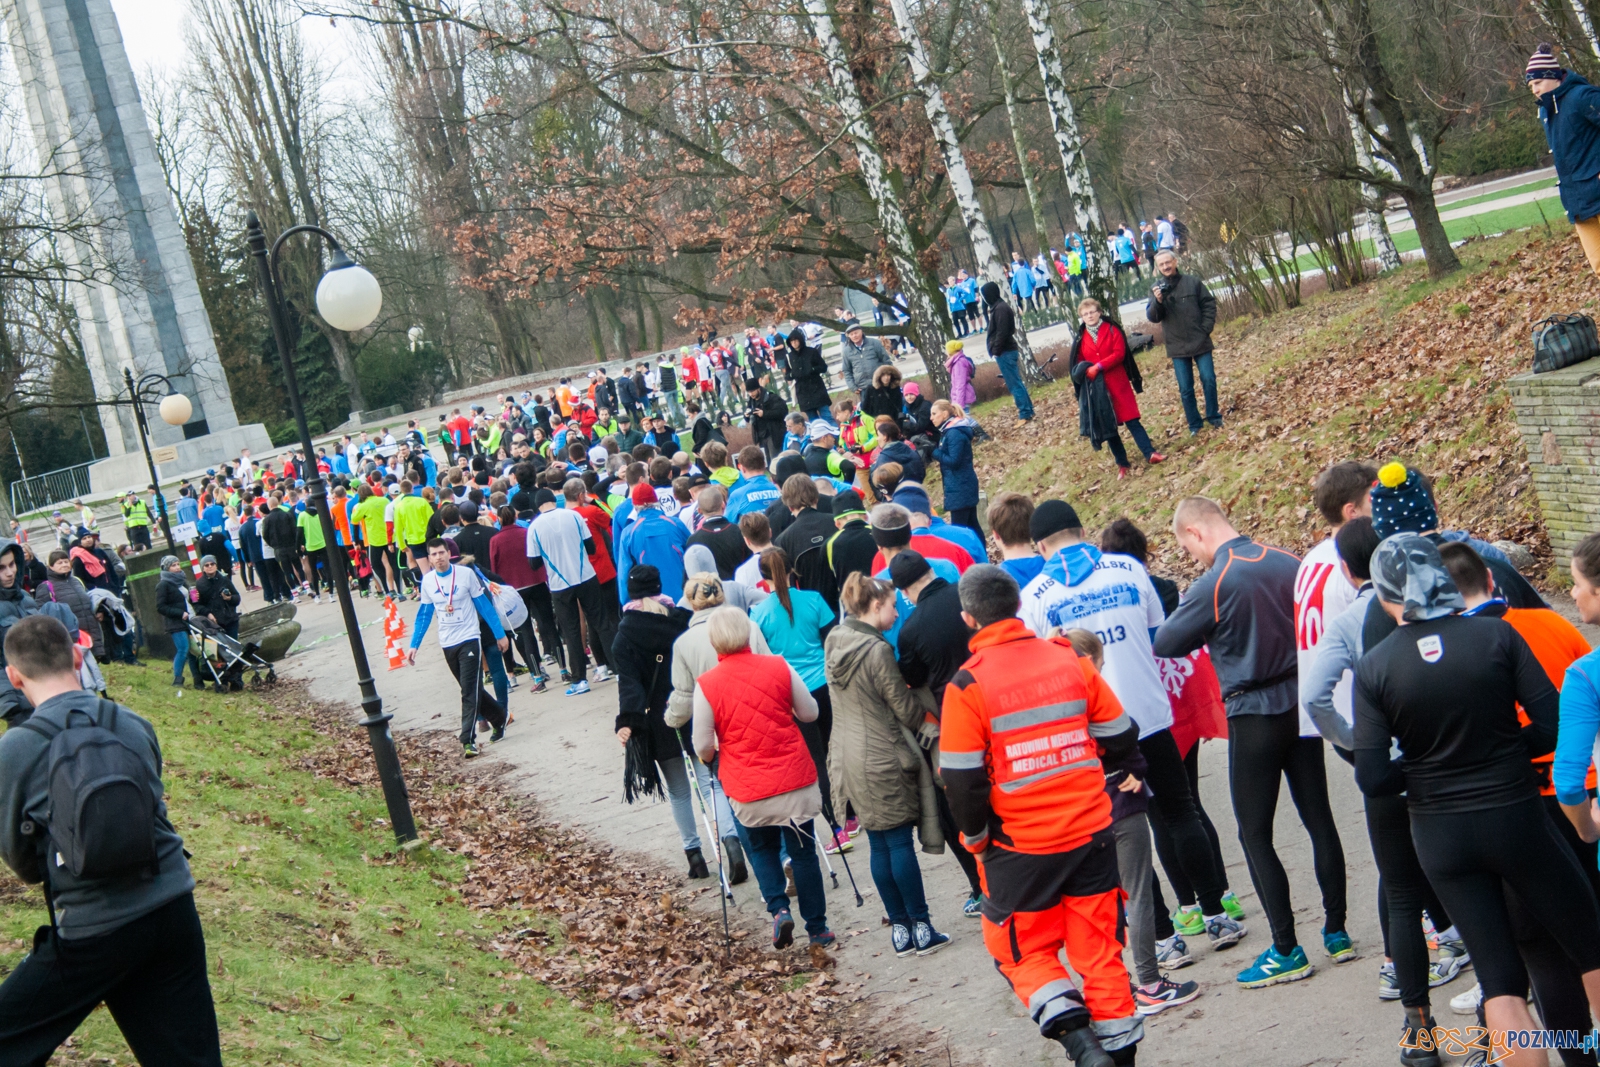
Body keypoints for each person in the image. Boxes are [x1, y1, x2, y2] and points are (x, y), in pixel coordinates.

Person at [1356, 535, 1600, 1067]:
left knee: (1500, 982)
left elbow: (1373, 777)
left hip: (1440, 835)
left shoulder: (1375, 667)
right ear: (1442, 581)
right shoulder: (1496, 637)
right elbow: (1554, 723)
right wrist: (1506, 750)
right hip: (1515, 816)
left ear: (1383, 596)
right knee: (1590, 947)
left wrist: (1424, 768)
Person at [1020, 500, 1246, 980]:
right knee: (1179, 812)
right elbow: (1158, 636)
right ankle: (1217, 915)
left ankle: (1164, 938)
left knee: (1125, 835)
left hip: (1091, 731)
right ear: (1081, 530)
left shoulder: (1034, 596)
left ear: (1040, 545)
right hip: (1149, 713)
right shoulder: (1127, 568)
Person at [941, 565, 1144, 1066]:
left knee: (1019, 951)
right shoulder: (1070, 660)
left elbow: (962, 781)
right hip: (1092, 831)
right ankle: (1118, 1057)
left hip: (1018, 846)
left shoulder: (968, 685)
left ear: (969, 618)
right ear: (1016, 606)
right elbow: (1120, 732)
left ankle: (1080, 1044)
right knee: (1100, 955)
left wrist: (976, 838)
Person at [0, 614, 221, 1066]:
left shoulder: (15, 751)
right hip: (171, 904)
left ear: (13, 676)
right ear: (78, 656)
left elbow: (23, 862)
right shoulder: (132, 722)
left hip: (93, 927)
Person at [1152, 496, 1350, 988]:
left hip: (1252, 710)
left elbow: (1167, 643)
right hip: (1300, 701)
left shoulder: (1216, 581)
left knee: (1254, 833)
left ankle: (1286, 947)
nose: (1191, 555)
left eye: (1186, 546)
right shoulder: (1286, 560)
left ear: (1196, 533)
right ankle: (1338, 930)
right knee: (1318, 816)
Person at [1301, 518, 1469, 1031]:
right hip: (1451, 761)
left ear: (1350, 573)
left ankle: (1417, 1024)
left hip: (1389, 768)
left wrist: (1352, 741)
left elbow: (1312, 696)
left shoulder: (1350, 623)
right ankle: (1493, 1006)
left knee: (1400, 892)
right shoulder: (1451, 610)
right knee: (1473, 884)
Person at [692, 606, 834, 949]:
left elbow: (702, 746)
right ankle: (817, 929)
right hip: (793, 779)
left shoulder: (707, 685)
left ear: (714, 643)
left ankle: (778, 910)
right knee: (803, 853)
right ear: (749, 633)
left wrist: (716, 750)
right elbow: (810, 712)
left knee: (762, 850)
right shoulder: (779, 666)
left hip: (747, 785)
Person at [825, 571, 950, 956]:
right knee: (897, 842)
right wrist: (934, 715)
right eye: (893, 606)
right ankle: (922, 926)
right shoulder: (876, 651)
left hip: (846, 756)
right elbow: (903, 706)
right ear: (875, 606)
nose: (897, 614)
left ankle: (899, 928)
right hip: (882, 755)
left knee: (879, 843)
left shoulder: (835, 640)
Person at [611, 564, 720, 879]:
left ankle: (694, 854)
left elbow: (629, 685)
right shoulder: (682, 623)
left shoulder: (624, 636)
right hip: (696, 712)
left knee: (679, 791)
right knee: (710, 781)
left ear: (630, 594)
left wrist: (627, 722)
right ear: (660, 587)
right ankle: (730, 840)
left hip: (659, 722)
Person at [406, 539, 510, 758]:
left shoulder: (465, 575)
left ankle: (467, 740)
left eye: (441, 553)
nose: (438, 558)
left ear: (448, 554)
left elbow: (483, 605)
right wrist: (414, 645)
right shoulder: (427, 582)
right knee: (471, 688)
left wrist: (499, 634)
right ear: (429, 558)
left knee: (468, 690)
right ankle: (500, 717)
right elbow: (424, 615)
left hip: (470, 637)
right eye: (433, 554)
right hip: (447, 641)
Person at [527, 487, 616, 696]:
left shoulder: (534, 527)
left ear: (538, 505)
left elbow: (533, 563)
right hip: (586, 575)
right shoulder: (573, 516)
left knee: (572, 631)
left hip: (560, 584)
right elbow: (591, 547)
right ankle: (619, 669)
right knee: (602, 623)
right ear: (553, 500)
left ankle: (579, 680)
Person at [1067, 298, 1164, 477]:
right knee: (1108, 426)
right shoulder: (1081, 338)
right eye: (1085, 314)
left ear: (1099, 312)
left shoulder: (1112, 329)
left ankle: (1150, 453)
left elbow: (1119, 354)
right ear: (1082, 317)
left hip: (1118, 383)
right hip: (1097, 389)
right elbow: (1078, 361)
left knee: (1132, 419)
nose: (1089, 316)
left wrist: (1099, 366)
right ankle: (1122, 464)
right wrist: (1085, 370)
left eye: (1092, 312)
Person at [1528, 43, 1600, 276]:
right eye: (1530, 85)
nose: (1534, 90)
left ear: (1553, 77)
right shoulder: (1545, 112)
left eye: (1537, 83)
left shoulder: (1582, 96)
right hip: (1578, 203)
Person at [1144, 250, 1220, 435]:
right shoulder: (1155, 288)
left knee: (1209, 379)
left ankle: (1214, 417)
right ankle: (1194, 425)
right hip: (1176, 345)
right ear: (1158, 268)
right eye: (1161, 265)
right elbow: (1153, 317)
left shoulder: (1193, 282)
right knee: (1186, 388)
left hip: (1200, 340)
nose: (1166, 267)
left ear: (1175, 261)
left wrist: (1205, 329)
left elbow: (1209, 305)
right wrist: (1158, 302)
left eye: (1168, 262)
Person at [980, 282, 1034, 423]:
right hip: (1005, 351)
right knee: (1016, 382)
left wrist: (996, 350)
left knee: (1014, 384)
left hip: (1005, 352)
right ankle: (1028, 409)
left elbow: (1002, 332)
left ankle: (1025, 413)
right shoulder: (998, 307)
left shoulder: (1000, 309)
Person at [38, 551, 103, 662]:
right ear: (51, 567)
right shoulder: (46, 587)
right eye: (59, 563)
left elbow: (89, 600)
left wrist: (99, 610)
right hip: (69, 636)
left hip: (89, 632)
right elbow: (41, 613)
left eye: (66, 561)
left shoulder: (77, 581)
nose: (64, 565)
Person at [928, 400, 980, 537]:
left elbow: (954, 461)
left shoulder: (954, 433)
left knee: (960, 529)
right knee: (972, 525)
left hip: (960, 486)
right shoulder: (948, 431)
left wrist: (932, 451)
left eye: (934, 414)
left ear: (944, 414)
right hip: (960, 484)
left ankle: (972, 556)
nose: (931, 418)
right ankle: (981, 555)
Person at [785, 327, 832, 421]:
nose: (794, 343)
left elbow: (823, 367)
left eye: (795, 340)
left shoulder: (811, 352)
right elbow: (787, 375)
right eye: (791, 341)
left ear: (800, 340)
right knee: (813, 421)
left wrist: (812, 369)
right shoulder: (789, 357)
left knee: (827, 417)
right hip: (803, 392)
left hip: (817, 388)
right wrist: (793, 374)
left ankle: (835, 435)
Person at [194, 554, 241, 641]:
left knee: (235, 645)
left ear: (216, 565)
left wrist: (230, 598)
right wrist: (208, 613)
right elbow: (197, 605)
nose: (210, 567)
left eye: (212, 564)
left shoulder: (224, 579)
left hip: (230, 619)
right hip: (214, 624)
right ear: (203, 568)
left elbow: (237, 598)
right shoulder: (199, 584)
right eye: (207, 565)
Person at [840, 323, 892, 400]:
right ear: (849, 336)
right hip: (863, 388)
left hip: (880, 384)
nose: (854, 336)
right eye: (851, 334)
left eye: (856, 333)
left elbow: (886, 361)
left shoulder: (874, 343)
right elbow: (847, 371)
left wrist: (887, 378)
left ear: (861, 332)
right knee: (869, 411)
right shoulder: (846, 351)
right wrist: (852, 386)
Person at [744, 377, 789, 459]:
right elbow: (749, 417)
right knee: (767, 463)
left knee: (776, 460)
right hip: (760, 437)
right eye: (749, 392)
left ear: (758, 388)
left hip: (773, 434)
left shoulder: (771, 397)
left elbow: (782, 412)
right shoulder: (751, 401)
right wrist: (746, 416)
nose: (751, 394)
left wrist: (764, 414)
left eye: (752, 391)